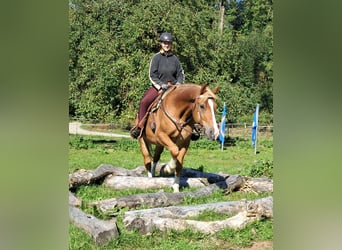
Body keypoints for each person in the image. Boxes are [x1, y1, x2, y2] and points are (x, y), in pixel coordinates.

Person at [130, 32, 184, 139]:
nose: (166, 45)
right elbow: (152, 75)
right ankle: (140, 127)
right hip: (158, 87)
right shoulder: (156, 58)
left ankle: (193, 128)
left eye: (168, 43)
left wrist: (178, 84)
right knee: (144, 102)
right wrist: (160, 85)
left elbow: (180, 74)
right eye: (164, 43)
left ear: (171, 44)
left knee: (188, 102)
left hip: (174, 88)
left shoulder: (175, 59)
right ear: (161, 44)